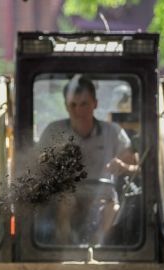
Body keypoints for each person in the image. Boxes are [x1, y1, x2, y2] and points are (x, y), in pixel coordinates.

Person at [36, 75, 138, 244]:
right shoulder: (54, 132)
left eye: (84, 104)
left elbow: (137, 167)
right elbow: (36, 165)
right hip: (67, 195)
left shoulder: (112, 132)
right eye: (73, 105)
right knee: (65, 202)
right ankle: (64, 249)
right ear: (66, 106)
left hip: (103, 197)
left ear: (95, 104)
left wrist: (123, 166)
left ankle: (99, 248)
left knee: (113, 208)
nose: (78, 111)